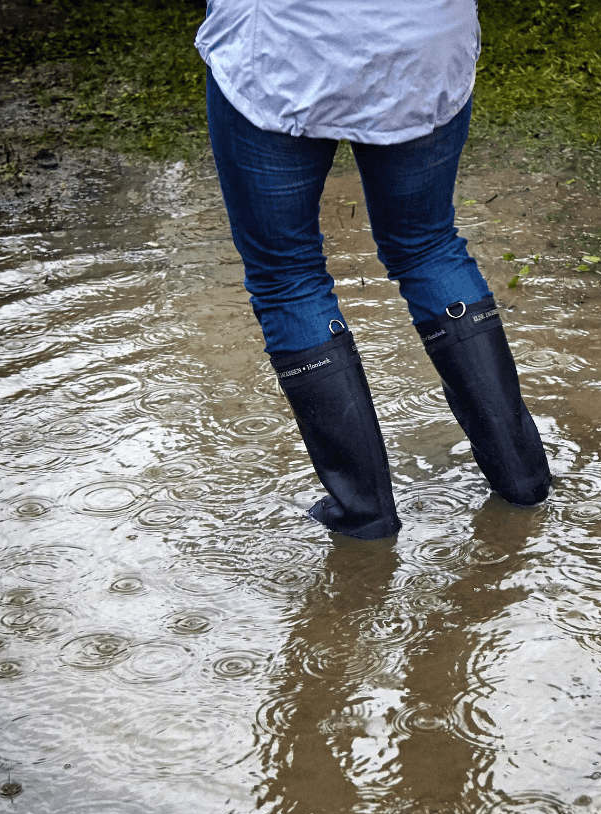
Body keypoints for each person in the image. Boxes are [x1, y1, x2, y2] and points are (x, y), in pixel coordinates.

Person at [195, 0, 551, 540]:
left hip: (283, 46)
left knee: (288, 278)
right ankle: (523, 481)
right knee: (427, 247)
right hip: (421, 40)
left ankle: (365, 516)